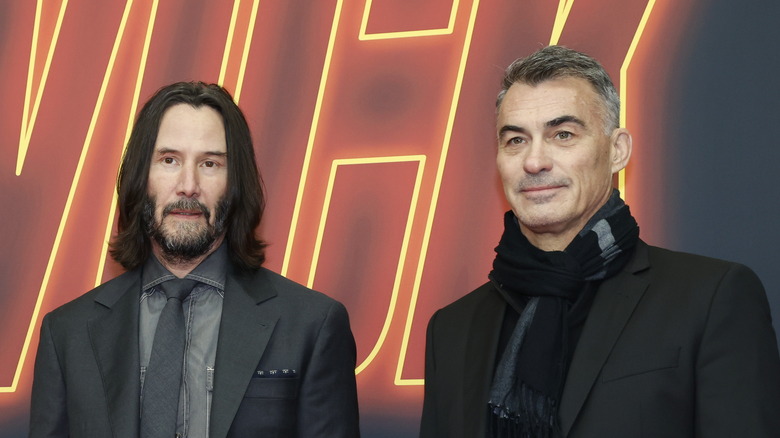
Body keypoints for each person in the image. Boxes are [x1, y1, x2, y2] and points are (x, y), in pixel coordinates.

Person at [419, 46, 780, 437]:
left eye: (563, 134)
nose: (534, 162)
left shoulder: (709, 299)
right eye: (516, 141)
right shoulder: (451, 329)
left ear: (617, 150)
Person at [30, 82, 360, 438]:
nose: (188, 185)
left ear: (236, 183)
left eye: (210, 163)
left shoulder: (313, 325)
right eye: (169, 160)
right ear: (141, 178)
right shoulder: (67, 334)